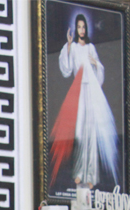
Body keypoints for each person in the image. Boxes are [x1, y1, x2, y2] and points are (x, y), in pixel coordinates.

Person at [50, 13, 120, 191]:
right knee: (80, 133)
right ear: (76, 28)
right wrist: (67, 45)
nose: (81, 30)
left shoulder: (91, 47)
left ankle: (91, 176)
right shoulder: (73, 47)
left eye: (83, 27)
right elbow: (66, 69)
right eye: (79, 27)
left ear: (86, 29)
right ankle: (79, 172)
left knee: (92, 133)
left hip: (92, 91)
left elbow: (100, 71)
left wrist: (95, 63)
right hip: (79, 91)